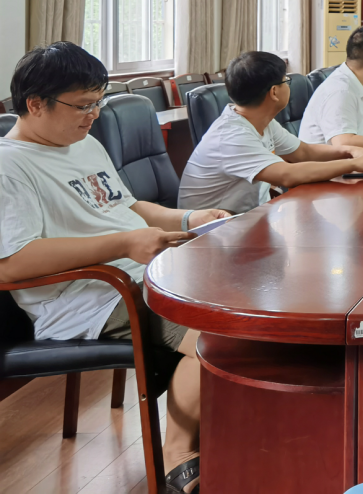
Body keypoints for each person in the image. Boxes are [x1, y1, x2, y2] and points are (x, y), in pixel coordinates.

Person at [0, 42, 229, 493]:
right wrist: (124, 243)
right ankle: (178, 456)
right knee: (222, 333)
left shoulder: (82, 143)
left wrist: (189, 219)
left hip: (143, 272)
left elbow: (127, 207)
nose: (94, 115)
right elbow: (12, 264)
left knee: (244, 299)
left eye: (98, 103)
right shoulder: (10, 166)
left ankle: (238, 426)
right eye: (83, 105)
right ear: (35, 104)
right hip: (92, 295)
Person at [179, 50, 363, 214]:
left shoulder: (260, 121)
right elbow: (288, 175)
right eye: (286, 81)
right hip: (211, 234)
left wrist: (350, 151)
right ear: (274, 92)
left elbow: (303, 152)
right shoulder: (233, 136)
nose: (288, 86)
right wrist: (354, 164)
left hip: (247, 221)